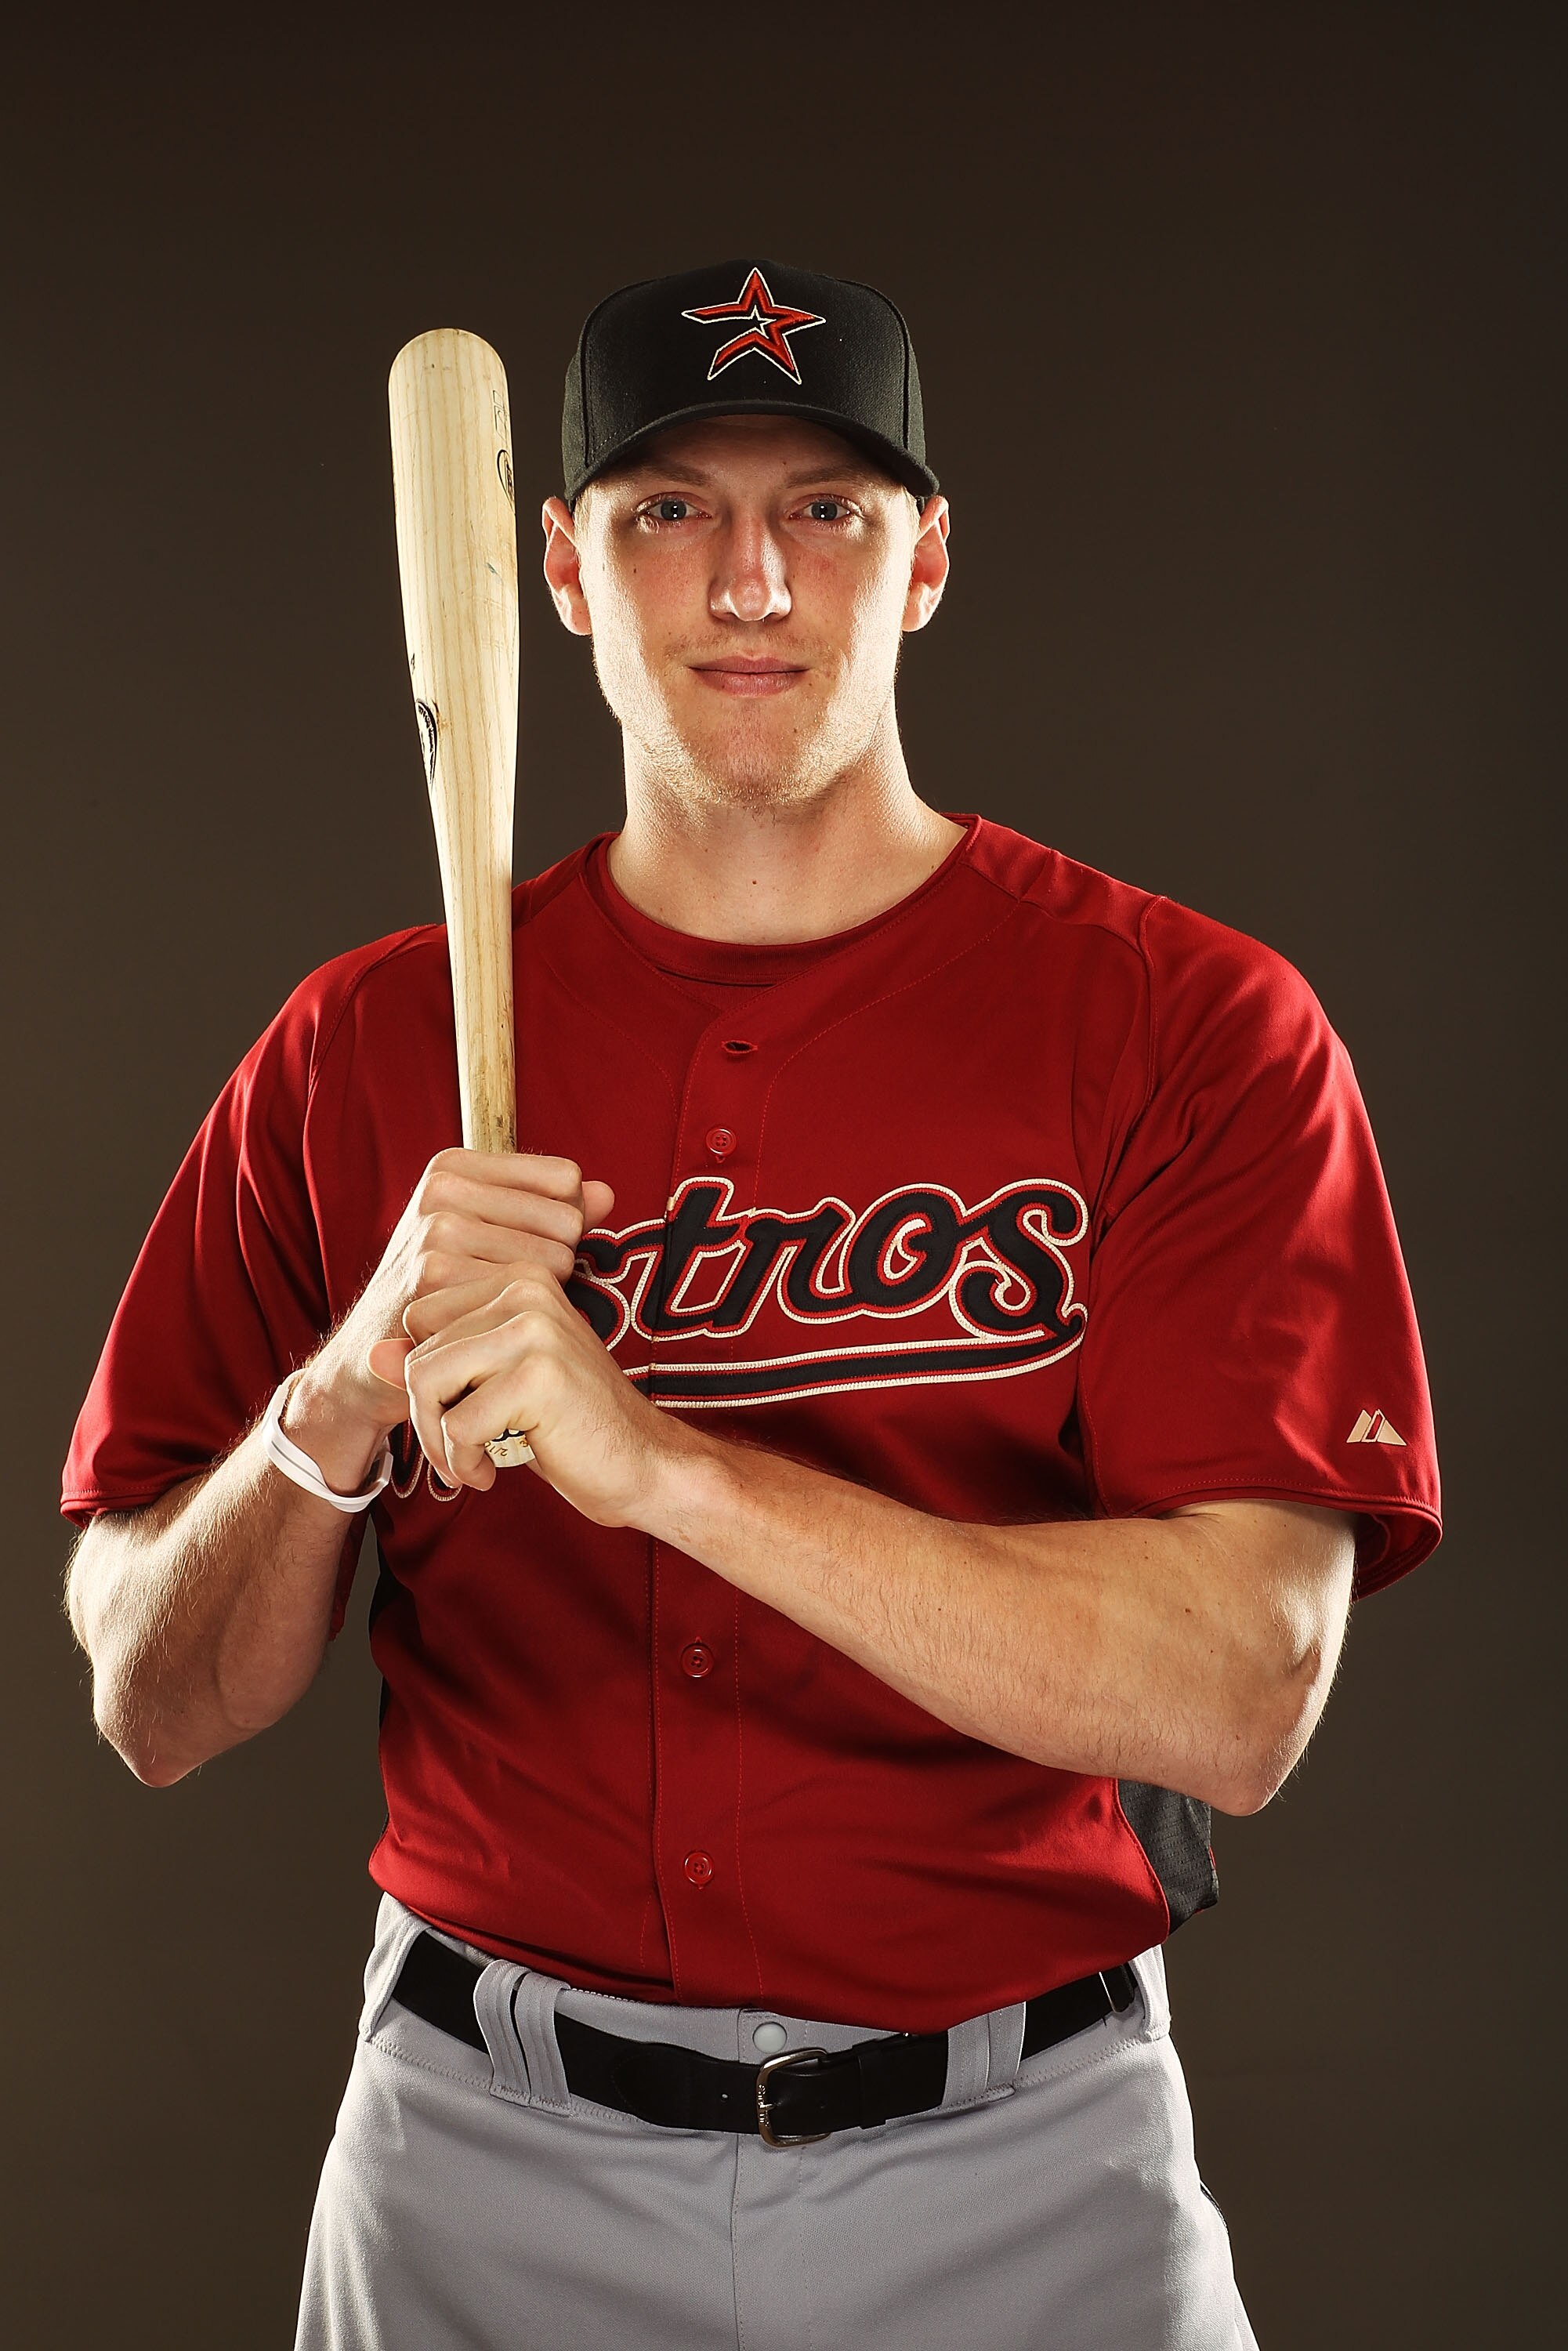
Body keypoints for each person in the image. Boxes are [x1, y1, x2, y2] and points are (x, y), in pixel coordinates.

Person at [63, 259, 1440, 2351]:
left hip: (1022, 2166)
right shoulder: (359, 1050)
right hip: (478, 2160)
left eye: (825, 510)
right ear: (555, 567)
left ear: (926, 563)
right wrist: (336, 1402)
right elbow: (149, 1700)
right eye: (665, 512)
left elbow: (1238, 1695)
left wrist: (665, 1471)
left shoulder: (1187, 1026)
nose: (748, 584)